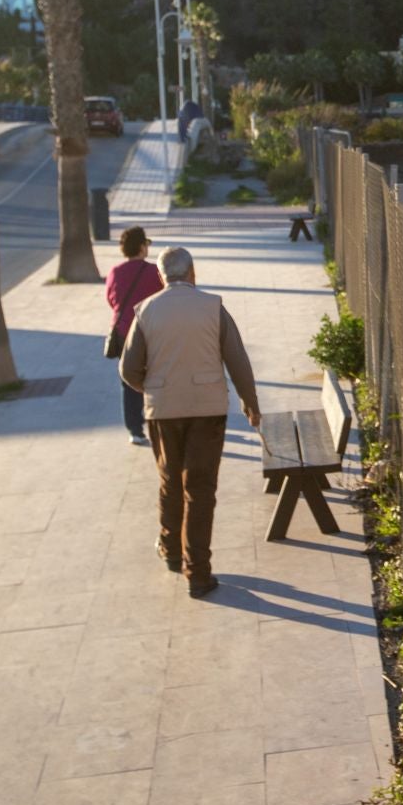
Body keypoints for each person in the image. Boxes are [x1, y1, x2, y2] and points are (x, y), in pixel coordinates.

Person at [119, 246, 262, 599]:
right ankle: (198, 572)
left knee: (170, 481)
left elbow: (128, 369)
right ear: (193, 273)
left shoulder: (146, 310)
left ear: (160, 276)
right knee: (200, 489)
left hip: (163, 411)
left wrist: (152, 388)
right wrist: (250, 403)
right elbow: (237, 360)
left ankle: (170, 551)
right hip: (207, 409)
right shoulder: (213, 307)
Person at [105, 226, 164, 446]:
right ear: (141, 246)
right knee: (155, 376)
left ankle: (135, 430)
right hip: (150, 332)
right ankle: (157, 417)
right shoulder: (154, 272)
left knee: (128, 379)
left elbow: (112, 301)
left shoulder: (115, 272)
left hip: (122, 334)